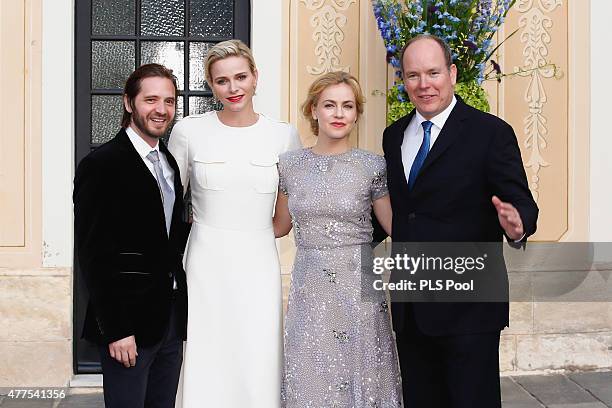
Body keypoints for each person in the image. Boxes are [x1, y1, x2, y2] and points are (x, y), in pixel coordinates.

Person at [382, 34, 539, 407]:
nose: (424, 84)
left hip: (470, 307)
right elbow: (400, 212)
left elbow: (521, 203)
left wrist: (516, 224)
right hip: (411, 308)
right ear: (403, 80)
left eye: (434, 72)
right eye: (413, 75)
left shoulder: (491, 133)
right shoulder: (393, 136)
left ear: (452, 73)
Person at [168, 39, 301, 407]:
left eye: (241, 77)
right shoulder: (189, 131)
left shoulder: (283, 134)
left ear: (256, 77)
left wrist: (252, 231)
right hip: (204, 263)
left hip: (258, 261)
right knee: (205, 351)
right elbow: (166, 199)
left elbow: (283, 220)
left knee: (258, 351)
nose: (233, 88)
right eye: (222, 81)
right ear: (211, 86)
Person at [275, 71, 402, 407]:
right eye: (329, 105)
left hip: (359, 286)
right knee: (312, 372)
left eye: (347, 106)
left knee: (362, 370)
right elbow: (278, 226)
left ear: (357, 113)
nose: (339, 113)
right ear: (313, 110)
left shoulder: (373, 166)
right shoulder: (289, 165)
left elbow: (395, 227)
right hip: (309, 287)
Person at [73, 63, 188, 408]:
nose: (161, 110)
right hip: (129, 325)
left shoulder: (167, 162)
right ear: (128, 102)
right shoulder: (102, 165)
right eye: (151, 99)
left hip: (169, 319)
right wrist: (116, 329)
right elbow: (94, 256)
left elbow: (165, 236)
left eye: (169, 101)